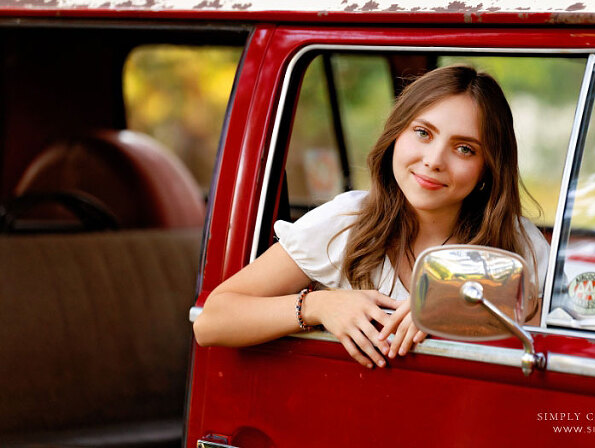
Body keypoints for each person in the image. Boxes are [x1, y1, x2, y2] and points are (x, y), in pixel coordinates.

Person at [193, 65, 549, 369]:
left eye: (465, 148)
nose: (435, 159)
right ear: (396, 136)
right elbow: (212, 321)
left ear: (488, 167)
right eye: (422, 133)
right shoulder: (346, 222)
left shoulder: (519, 244)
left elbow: (545, 352)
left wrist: (458, 308)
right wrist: (319, 305)